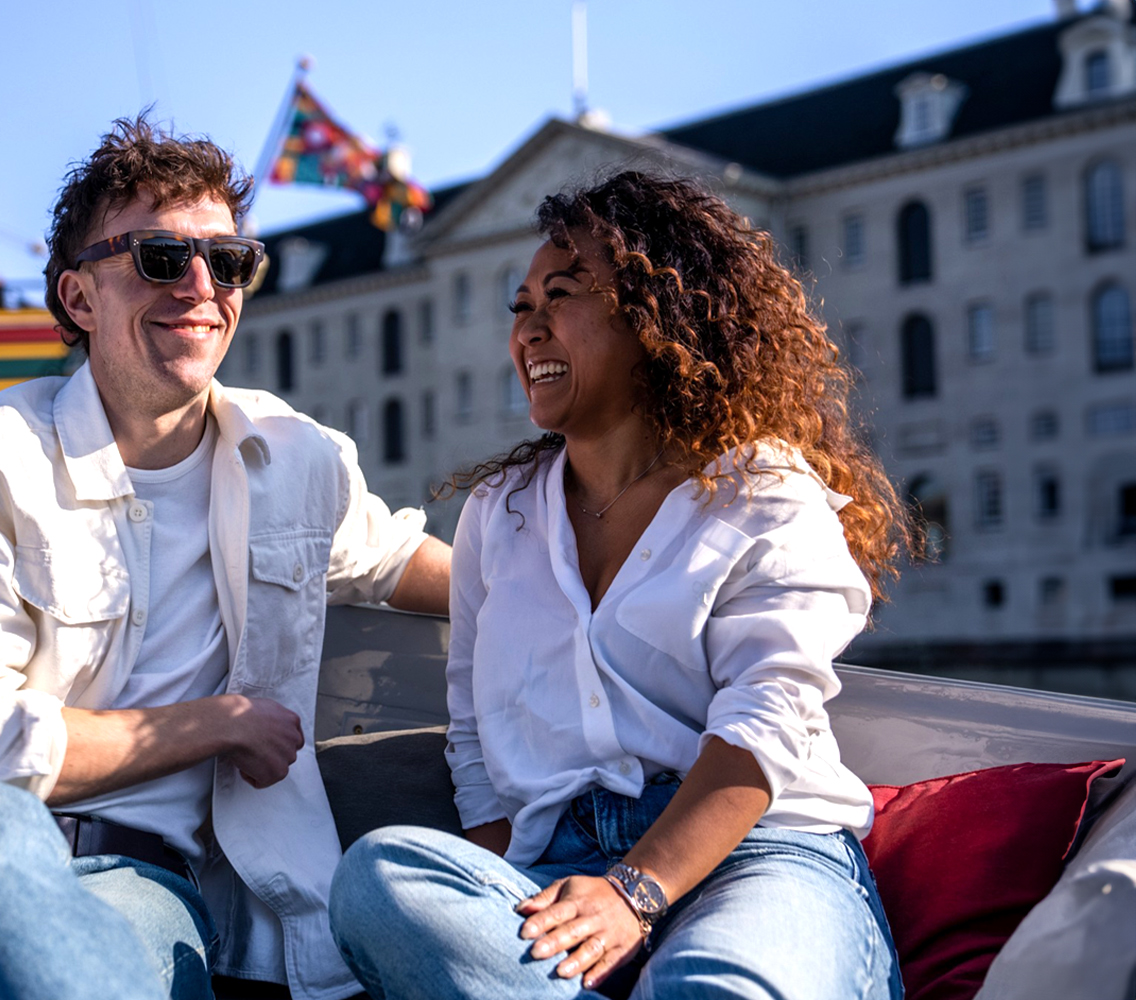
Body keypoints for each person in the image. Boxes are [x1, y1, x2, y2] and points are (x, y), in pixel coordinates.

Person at [0, 114, 451, 1000]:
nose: (203, 285)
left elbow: (397, 558)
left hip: (135, 888)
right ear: (79, 300)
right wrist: (218, 722)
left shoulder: (298, 459)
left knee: (103, 966)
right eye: (162, 257)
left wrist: (596, 590)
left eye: (229, 261)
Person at [328, 172, 910, 1000]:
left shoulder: (767, 497)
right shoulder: (500, 515)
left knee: (714, 988)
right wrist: (513, 902)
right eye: (520, 306)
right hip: (559, 866)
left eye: (559, 297)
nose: (528, 329)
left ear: (655, 320)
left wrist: (633, 894)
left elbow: (766, 727)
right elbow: (473, 741)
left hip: (758, 853)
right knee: (381, 883)